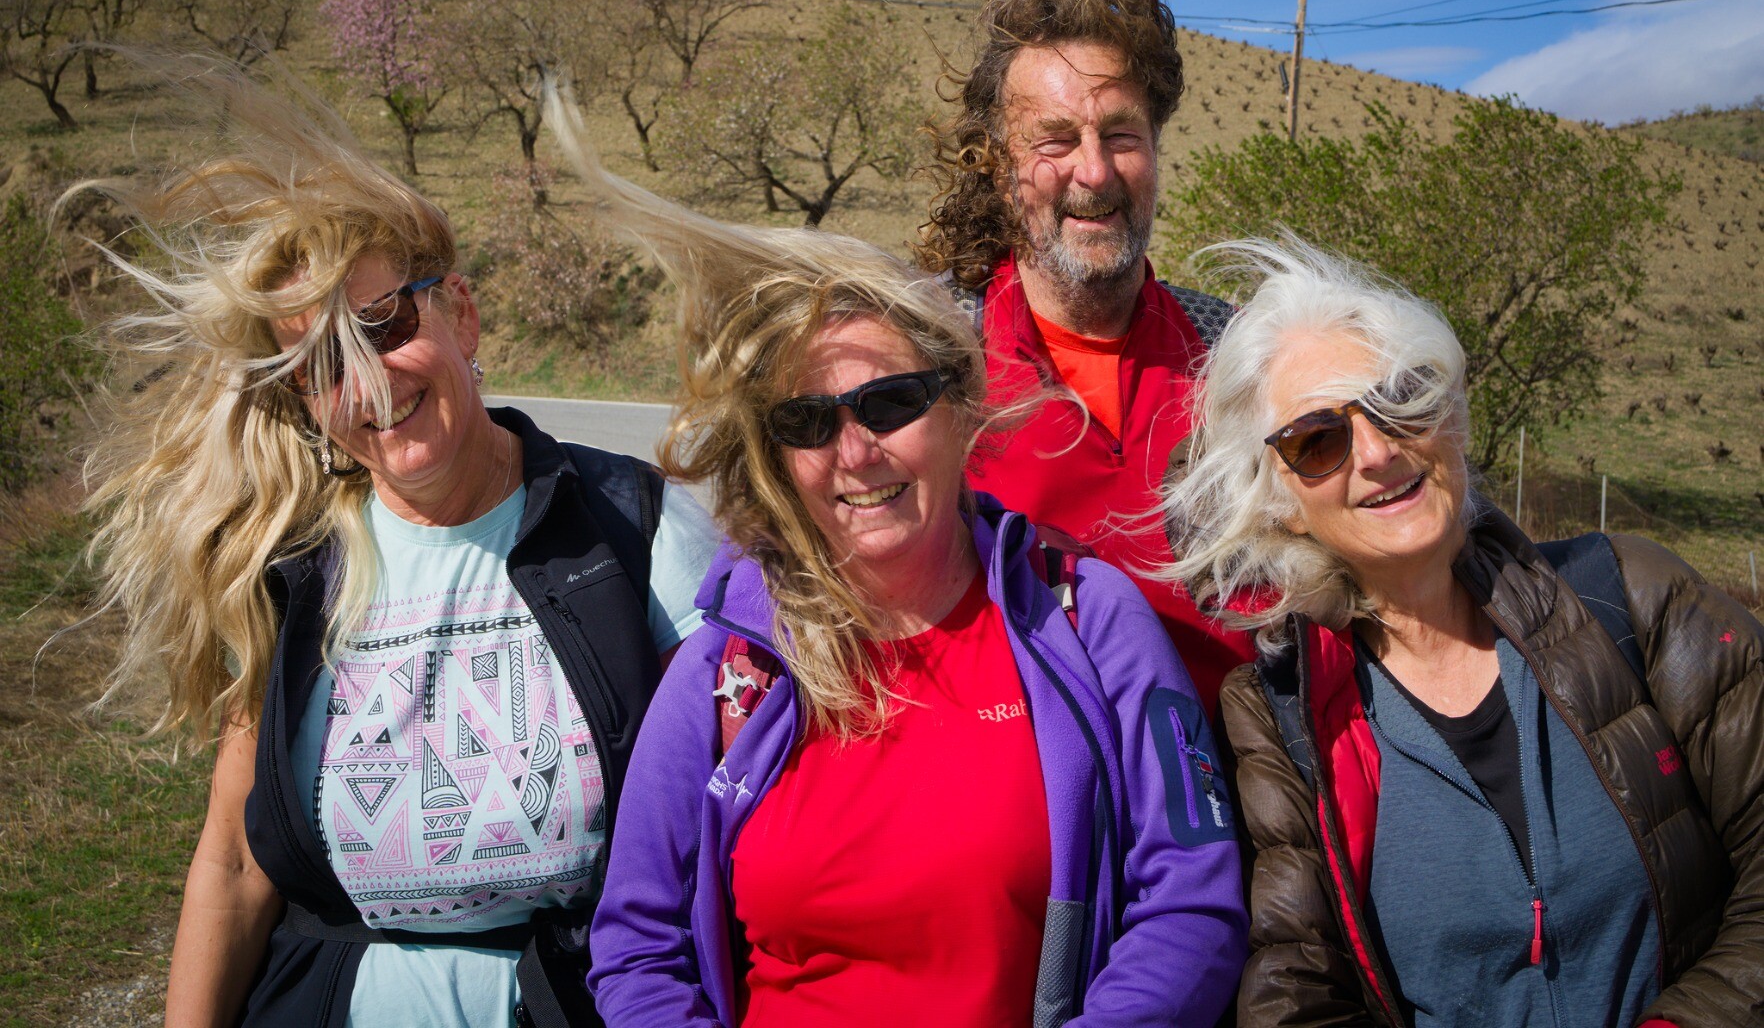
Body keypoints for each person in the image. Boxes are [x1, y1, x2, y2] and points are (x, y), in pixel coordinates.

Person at [539, 96, 1248, 1026]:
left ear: (960, 412)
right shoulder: (731, 667)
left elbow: (1191, 904)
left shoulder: (1086, 618)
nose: (856, 452)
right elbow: (639, 947)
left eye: (890, 404)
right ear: (776, 460)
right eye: (807, 422)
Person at [75, 61, 719, 1028]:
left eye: (385, 324)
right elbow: (235, 860)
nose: (369, 382)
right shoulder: (289, 572)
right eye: (323, 362)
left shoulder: (637, 523)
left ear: (459, 311)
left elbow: (733, 812)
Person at [1162, 236, 1764, 1027]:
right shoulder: (1277, 713)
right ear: (1278, 499)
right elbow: (1296, 991)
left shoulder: (1630, 596)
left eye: (1402, 399)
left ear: (1451, 415)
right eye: (1318, 440)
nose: (1377, 452)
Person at [916, 0, 1251, 711]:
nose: (1094, 171)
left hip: (1234, 807)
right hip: (1022, 808)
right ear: (998, 166)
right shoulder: (927, 355)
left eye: (1122, 136)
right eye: (1056, 140)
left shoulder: (1239, 356)